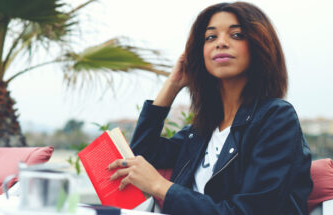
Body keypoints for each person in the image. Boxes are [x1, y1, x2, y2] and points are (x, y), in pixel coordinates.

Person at [108, 2, 313, 214]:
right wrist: (173, 84)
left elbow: (250, 211)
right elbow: (142, 155)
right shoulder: (200, 132)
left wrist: (161, 187)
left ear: (259, 45)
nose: (221, 43)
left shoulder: (275, 118)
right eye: (210, 37)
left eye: (236, 35)